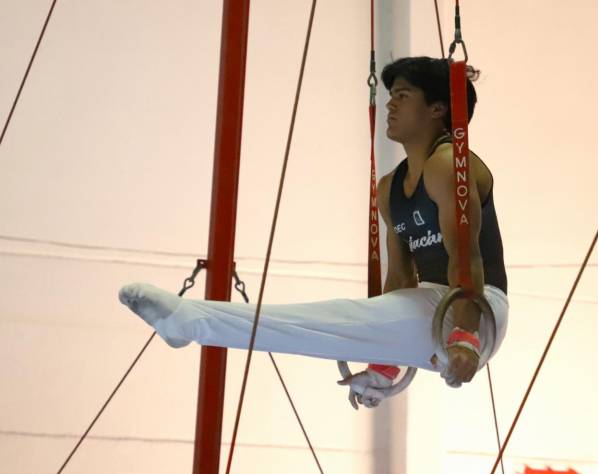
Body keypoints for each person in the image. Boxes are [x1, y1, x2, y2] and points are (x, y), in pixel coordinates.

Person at [118, 56, 508, 410]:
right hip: (430, 308)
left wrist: (465, 338)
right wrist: (385, 366)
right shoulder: (390, 188)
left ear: (437, 109)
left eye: (403, 96)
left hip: (477, 309)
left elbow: (465, 257)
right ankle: (189, 323)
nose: (390, 104)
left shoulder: (449, 166)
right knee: (351, 317)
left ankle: (190, 322)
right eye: (390, 96)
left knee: (342, 318)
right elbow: (400, 283)